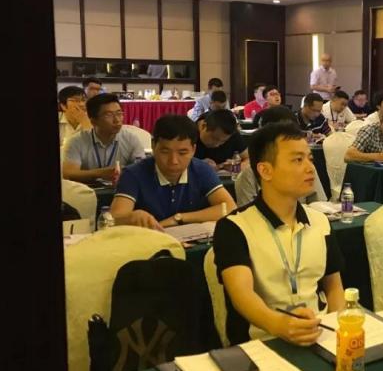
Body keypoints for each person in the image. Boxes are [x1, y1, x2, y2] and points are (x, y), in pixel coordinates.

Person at [212, 121, 346, 345]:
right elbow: (241, 294)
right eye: (297, 160)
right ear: (265, 170)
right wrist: (279, 325)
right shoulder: (234, 227)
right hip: (263, 341)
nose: (310, 168)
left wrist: (337, 328)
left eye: (309, 159)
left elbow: (334, 287)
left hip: (319, 334)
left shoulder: (320, 221)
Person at [111, 115, 235, 230]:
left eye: (182, 153)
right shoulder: (133, 174)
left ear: (193, 150)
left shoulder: (201, 170)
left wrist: (178, 218)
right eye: (165, 152)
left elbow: (229, 207)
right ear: (153, 146)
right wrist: (131, 217)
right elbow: (115, 218)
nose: (173, 161)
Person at [234, 106, 327, 207]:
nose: (310, 167)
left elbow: (320, 206)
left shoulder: (307, 168)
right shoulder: (249, 175)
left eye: (310, 158)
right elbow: (248, 213)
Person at [62, 93, 145, 183]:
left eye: (119, 113)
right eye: (109, 115)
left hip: (122, 189)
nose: (117, 120)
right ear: (93, 121)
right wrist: (100, 173)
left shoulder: (131, 139)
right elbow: (68, 174)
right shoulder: (77, 141)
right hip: (86, 190)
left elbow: (142, 170)